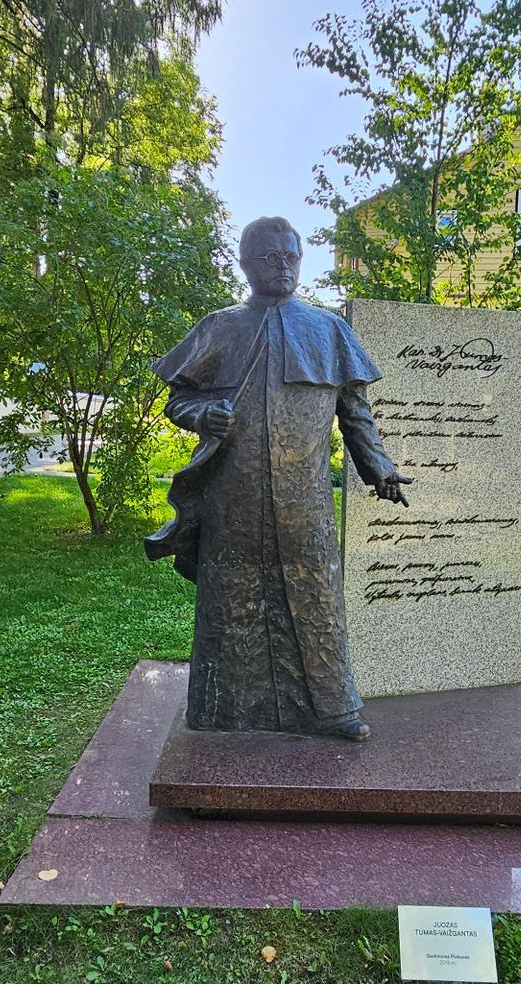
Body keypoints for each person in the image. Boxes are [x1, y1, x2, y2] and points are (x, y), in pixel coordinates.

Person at [145, 216, 411, 741]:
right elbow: (178, 398)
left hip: (304, 500)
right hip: (232, 495)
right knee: (232, 598)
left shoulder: (328, 329)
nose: (283, 266)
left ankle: (333, 710)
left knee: (316, 597)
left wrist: (377, 466)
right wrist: (202, 415)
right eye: (271, 257)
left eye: (291, 257)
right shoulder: (219, 327)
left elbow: (355, 412)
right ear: (245, 263)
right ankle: (224, 710)